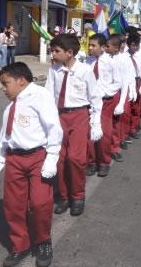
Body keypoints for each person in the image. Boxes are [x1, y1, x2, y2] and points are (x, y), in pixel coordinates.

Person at [0, 62, 62, 267]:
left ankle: (43, 241)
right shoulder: (11, 106)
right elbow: (6, 135)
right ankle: (20, 244)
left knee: (40, 203)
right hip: (15, 160)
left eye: (5, 83)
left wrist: (52, 156)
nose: (3, 88)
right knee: (13, 205)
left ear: (21, 81)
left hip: (37, 157)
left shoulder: (40, 96)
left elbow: (54, 127)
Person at [46, 34, 102, 217]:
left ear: (70, 53)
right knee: (59, 159)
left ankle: (78, 196)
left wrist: (96, 123)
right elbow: (48, 95)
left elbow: (95, 97)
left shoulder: (85, 70)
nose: (52, 54)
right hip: (59, 116)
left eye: (56, 51)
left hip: (78, 115)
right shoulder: (54, 70)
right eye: (52, 50)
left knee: (75, 158)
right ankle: (63, 196)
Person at [85, 33, 124, 172]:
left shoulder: (111, 62)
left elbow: (118, 82)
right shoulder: (87, 62)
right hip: (90, 102)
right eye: (89, 45)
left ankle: (104, 162)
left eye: (93, 45)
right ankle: (91, 161)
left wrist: (105, 92)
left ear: (102, 47)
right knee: (89, 132)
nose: (90, 47)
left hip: (105, 101)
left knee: (104, 133)